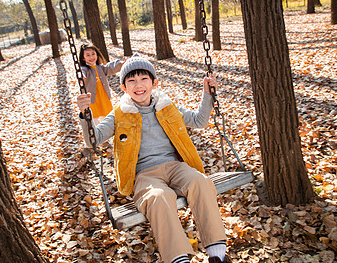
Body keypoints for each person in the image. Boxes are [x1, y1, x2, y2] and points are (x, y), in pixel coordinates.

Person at [76, 54, 230, 263]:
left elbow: (199, 120)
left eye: (143, 79)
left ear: (154, 83)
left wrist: (208, 95)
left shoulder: (166, 106)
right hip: (144, 175)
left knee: (200, 182)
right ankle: (178, 258)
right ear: (123, 87)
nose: (138, 86)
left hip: (175, 167)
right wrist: (86, 115)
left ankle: (217, 254)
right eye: (131, 81)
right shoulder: (119, 113)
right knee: (159, 197)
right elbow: (93, 141)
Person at [79, 43, 124, 125]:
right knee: (94, 119)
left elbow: (109, 68)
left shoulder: (100, 68)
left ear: (97, 55)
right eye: (88, 55)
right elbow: (82, 72)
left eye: (93, 54)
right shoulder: (85, 69)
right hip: (93, 99)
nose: (91, 57)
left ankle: (108, 133)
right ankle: (96, 135)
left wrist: (120, 64)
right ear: (83, 58)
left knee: (107, 117)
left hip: (103, 96)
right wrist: (82, 76)